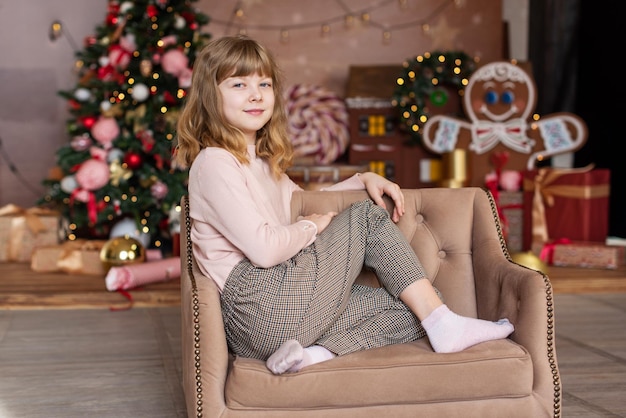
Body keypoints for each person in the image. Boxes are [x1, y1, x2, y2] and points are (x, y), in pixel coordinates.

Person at [175, 35, 514, 375]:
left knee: (420, 304)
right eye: (238, 84)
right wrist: (312, 226)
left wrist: (361, 179)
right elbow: (264, 250)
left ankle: (309, 356)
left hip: (275, 318)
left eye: (264, 83)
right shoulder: (215, 162)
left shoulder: (261, 163)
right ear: (210, 94)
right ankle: (446, 324)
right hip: (256, 303)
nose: (256, 94)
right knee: (366, 216)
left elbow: (303, 203)